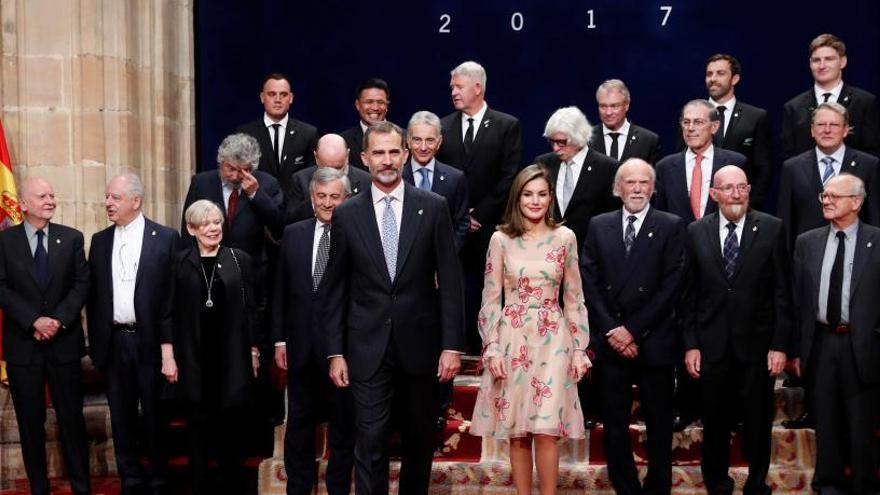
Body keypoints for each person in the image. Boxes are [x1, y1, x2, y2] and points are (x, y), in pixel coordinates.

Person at [320, 122, 465, 495]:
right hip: (365, 347)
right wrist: (335, 351)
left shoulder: (432, 207)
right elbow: (335, 289)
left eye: (393, 152)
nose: (387, 160)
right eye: (378, 153)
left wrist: (452, 346)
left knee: (419, 443)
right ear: (365, 159)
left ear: (404, 154)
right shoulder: (347, 214)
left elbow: (450, 281)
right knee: (369, 442)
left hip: (421, 347)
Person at [469, 164, 591, 495]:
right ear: (517, 197)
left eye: (542, 194)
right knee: (518, 430)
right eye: (528, 194)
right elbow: (490, 298)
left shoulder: (565, 237)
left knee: (547, 429)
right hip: (512, 338)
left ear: (551, 198)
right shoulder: (500, 239)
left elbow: (575, 297)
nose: (535, 201)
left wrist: (580, 347)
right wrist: (491, 345)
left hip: (554, 340)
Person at [681, 165, 791, 495]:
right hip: (711, 345)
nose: (735, 194)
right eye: (727, 188)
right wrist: (691, 344)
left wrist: (779, 344)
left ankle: (757, 485)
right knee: (714, 422)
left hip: (757, 347)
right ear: (713, 194)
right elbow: (688, 294)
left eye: (741, 187)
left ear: (749, 190)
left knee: (757, 423)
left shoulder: (772, 228)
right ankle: (718, 485)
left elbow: (782, 292)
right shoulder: (696, 231)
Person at [580, 159, 686, 494]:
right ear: (617, 188)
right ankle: (624, 486)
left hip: (653, 341)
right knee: (613, 423)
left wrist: (633, 330)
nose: (637, 189)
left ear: (653, 188)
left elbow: (672, 285)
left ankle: (658, 487)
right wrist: (613, 330)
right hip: (611, 343)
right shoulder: (599, 225)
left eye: (644, 183)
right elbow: (589, 282)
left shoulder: (671, 225)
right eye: (630, 182)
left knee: (658, 424)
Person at [87, 173, 178, 495]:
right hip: (114, 343)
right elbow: (94, 295)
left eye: (115, 197)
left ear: (135, 201)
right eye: (107, 197)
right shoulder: (99, 241)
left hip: (150, 342)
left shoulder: (166, 238)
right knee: (121, 416)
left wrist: (170, 348)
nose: (108, 203)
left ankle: (157, 480)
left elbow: (172, 296)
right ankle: (131, 480)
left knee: (154, 415)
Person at [161, 199, 259, 495]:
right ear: (191, 228)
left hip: (231, 358)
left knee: (231, 429)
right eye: (205, 224)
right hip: (192, 358)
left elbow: (252, 310)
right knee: (198, 430)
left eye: (217, 222)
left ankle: (232, 486)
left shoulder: (239, 259)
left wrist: (254, 352)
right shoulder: (179, 262)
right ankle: (201, 485)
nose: (213, 228)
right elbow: (166, 312)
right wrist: (168, 355)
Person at [0, 177, 91, 495]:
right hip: (24, 346)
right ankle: (39, 488)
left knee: (71, 419)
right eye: (42, 196)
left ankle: (81, 487)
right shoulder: (5, 242)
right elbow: (2, 288)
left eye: (52, 194)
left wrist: (57, 320)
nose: (51, 200)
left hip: (63, 343)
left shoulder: (72, 239)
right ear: (23, 204)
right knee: (30, 422)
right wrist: (33, 321)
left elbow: (82, 284)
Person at [791, 174, 880, 494]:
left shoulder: (877, 240)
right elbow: (797, 300)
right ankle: (828, 484)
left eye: (834, 196)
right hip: (820, 343)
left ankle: (865, 485)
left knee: (860, 425)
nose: (826, 201)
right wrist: (797, 350)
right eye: (823, 195)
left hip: (863, 345)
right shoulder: (807, 242)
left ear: (856, 202)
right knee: (825, 422)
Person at [272, 167, 355, 495]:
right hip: (300, 346)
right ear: (310, 198)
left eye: (335, 196)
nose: (328, 203)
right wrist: (279, 339)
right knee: (299, 426)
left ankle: (337, 488)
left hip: (343, 351)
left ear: (347, 198)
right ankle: (299, 487)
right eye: (321, 196)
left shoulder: (356, 233)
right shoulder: (294, 233)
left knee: (343, 426)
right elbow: (280, 289)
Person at [435, 60, 523, 354]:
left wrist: (480, 214)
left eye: (458, 87)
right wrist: (461, 217)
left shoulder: (506, 125)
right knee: (454, 290)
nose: (453, 92)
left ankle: (493, 347)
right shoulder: (442, 127)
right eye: (451, 87)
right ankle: (456, 348)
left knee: (494, 289)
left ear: (477, 87)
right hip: (452, 227)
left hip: (492, 227)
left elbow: (510, 176)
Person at [778, 102, 880, 252]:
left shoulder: (868, 165)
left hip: (856, 255)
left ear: (845, 130)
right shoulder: (792, 167)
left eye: (834, 125)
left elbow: (874, 217)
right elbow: (785, 221)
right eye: (820, 125)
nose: (827, 130)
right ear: (812, 130)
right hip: (807, 256)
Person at [782, 33, 880, 159]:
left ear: (843, 62)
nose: (822, 66)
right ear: (810, 63)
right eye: (816, 60)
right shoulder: (794, 107)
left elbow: (872, 154)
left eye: (829, 59)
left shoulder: (864, 103)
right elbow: (789, 159)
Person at [535, 105, 619, 252]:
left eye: (561, 142)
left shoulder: (607, 168)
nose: (555, 148)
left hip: (589, 253)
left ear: (578, 138)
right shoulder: (543, 164)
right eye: (552, 141)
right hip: (547, 252)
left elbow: (612, 218)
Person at [655, 99, 747, 223]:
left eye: (698, 122)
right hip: (678, 240)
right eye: (686, 122)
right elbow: (661, 214)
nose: (690, 128)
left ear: (714, 127)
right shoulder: (665, 167)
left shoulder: (735, 162)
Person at [699, 54, 772, 206]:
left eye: (720, 73)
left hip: (740, 204)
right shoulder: (693, 114)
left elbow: (762, 168)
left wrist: (749, 206)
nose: (713, 78)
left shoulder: (755, 116)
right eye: (709, 74)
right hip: (698, 204)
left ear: (735, 79)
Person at [236, 72, 319, 195]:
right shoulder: (245, 133)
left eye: (283, 95)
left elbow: (313, 176)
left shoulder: (308, 133)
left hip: (295, 208)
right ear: (262, 97)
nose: (278, 100)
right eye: (272, 94)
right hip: (258, 206)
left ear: (291, 98)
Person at [404, 110, 469, 252]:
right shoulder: (397, 178)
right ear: (408, 141)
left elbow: (462, 223)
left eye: (430, 140)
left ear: (439, 143)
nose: (423, 147)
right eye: (417, 140)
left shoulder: (455, 178)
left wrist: (447, 259)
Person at [285, 133, 372, 223]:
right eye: (326, 169)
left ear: (347, 155)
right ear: (316, 157)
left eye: (338, 168)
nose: (332, 174)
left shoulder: (366, 181)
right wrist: (314, 201)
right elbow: (290, 220)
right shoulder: (301, 180)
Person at [589, 79, 661, 164]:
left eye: (614, 106)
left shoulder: (648, 141)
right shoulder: (586, 139)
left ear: (626, 105)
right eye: (603, 106)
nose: (608, 112)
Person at [339, 78, 391, 171]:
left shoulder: (404, 138)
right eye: (369, 102)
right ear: (357, 105)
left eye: (380, 102)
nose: (375, 107)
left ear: (387, 105)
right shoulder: (343, 142)